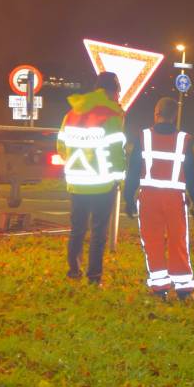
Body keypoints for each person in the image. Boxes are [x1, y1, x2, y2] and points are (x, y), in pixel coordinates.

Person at [124, 97, 194, 301]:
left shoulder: (143, 137)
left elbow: (132, 171)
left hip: (149, 197)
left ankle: (160, 288)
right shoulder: (184, 139)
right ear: (175, 116)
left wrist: (128, 198)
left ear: (156, 113)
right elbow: (191, 173)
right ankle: (184, 289)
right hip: (175, 199)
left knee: (152, 242)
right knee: (178, 241)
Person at [56, 72, 126, 285]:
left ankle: (73, 271)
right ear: (112, 91)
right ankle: (94, 276)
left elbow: (60, 146)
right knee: (98, 231)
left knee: (77, 228)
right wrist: (120, 178)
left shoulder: (73, 113)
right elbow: (116, 150)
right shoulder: (112, 114)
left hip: (77, 182)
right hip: (102, 183)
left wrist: (75, 164)